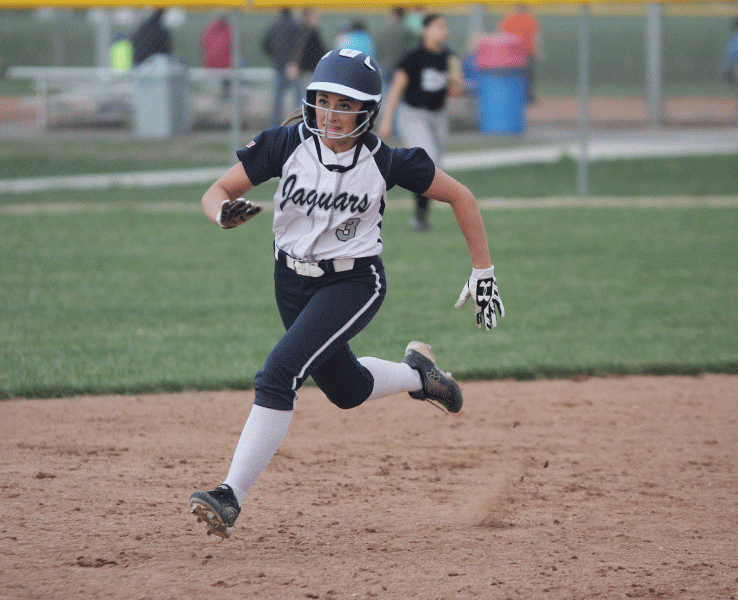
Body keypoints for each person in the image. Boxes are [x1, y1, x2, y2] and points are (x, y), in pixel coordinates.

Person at [188, 48, 505, 540]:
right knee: (346, 389)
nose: (332, 114)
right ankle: (418, 375)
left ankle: (229, 495)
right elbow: (216, 191)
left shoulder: (385, 161)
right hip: (290, 282)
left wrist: (482, 269)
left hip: (354, 282)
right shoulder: (285, 144)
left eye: (346, 104)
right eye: (324, 101)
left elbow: (461, 196)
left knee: (279, 373)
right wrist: (221, 213)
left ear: (368, 112)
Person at [377, 14, 464, 232]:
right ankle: (417, 218)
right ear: (426, 31)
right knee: (429, 160)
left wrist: (456, 77)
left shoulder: (448, 57)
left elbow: (455, 92)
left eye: (446, 27)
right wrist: (387, 119)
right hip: (413, 115)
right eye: (439, 26)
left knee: (435, 168)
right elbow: (396, 88)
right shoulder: (414, 57)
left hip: (438, 116)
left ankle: (420, 217)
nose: (445, 31)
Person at [261, 8, 301, 127]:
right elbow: (300, 47)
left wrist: (275, 57)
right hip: (293, 68)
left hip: (279, 67)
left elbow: (264, 44)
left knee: (276, 102)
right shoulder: (295, 27)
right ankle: (300, 126)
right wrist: (294, 62)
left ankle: (274, 129)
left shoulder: (274, 27)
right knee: (299, 101)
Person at [499, 4, 543, 104]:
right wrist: (538, 52)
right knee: (527, 76)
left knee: (512, 75)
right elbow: (536, 37)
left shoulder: (508, 19)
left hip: (512, 53)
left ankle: (514, 96)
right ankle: (527, 97)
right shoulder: (530, 19)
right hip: (526, 52)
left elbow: (502, 35)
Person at [375, 7, 419, 90]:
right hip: (400, 66)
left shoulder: (383, 31)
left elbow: (378, 49)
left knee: (384, 90)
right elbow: (414, 47)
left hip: (385, 65)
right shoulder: (407, 31)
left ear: (394, 15)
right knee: (399, 91)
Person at [290, 8, 328, 91]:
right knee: (306, 96)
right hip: (307, 70)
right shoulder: (307, 32)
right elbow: (298, 50)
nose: (317, 19)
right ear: (308, 17)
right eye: (315, 16)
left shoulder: (306, 31)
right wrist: (295, 65)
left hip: (309, 70)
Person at [202, 15, 233, 100]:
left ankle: (224, 94)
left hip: (210, 65)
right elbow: (240, 49)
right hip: (226, 66)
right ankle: (232, 93)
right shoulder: (230, 31)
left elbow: (203, 46)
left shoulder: (209, 30)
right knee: (240, 62)